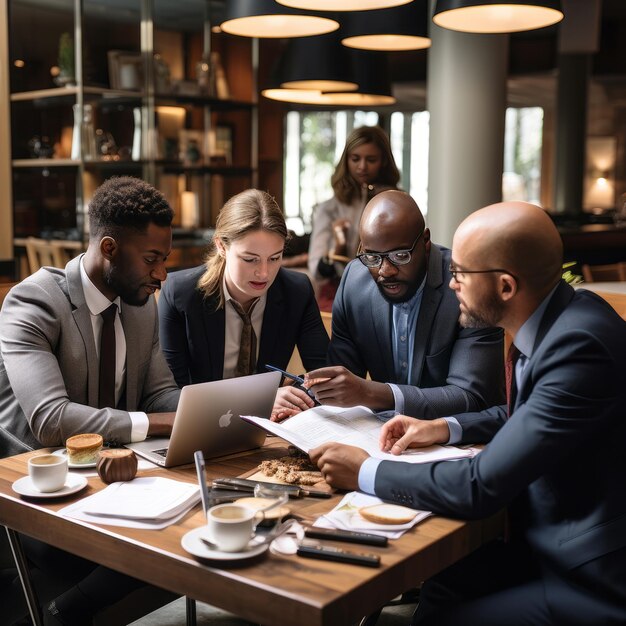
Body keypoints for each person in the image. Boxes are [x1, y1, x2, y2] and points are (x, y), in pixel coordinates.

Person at [310, 201, 626, 625]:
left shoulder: (579, 349)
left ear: (506, 287)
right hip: (543, 538)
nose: (451, 284)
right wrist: (445, 427)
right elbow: (523, 416)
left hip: (590, 576)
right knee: (444, 577)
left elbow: (480, 485)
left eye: (460, 273)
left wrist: (367, 471)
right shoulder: (569, 318)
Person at [0, 176, 181, 624]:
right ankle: (62, 614)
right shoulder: (34, 302)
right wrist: (153, 424)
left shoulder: (140, 304)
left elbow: (161, 393)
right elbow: (51, 419)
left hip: (111, 474)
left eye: (165, 260)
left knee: (189, 526)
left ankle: (68, 610)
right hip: (38, 483)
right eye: (152, 259)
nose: (162, 275)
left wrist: (211, 412)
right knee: (164, 545)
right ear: (109, 248)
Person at [301, 190, 504, 420]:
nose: (385, 271)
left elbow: (472, 397)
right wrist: (299, 396)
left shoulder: (465, 288)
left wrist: (371, 392)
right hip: (378, 438)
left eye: (400, 255)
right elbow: (340, 382)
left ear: (426, 241)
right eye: (372, 257)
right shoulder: (354, 283)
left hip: (458, 443)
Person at [158, 189, 329, 419]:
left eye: (275, 258)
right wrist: (258, 402)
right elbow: (167, 396)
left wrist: (294, 394)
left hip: (271, 429)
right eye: (250, 259)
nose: (264, 273)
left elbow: (325, 378)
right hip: (202, 427)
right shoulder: (181, 293)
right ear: (221, 246)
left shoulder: (297, 291)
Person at [307, 126, 400, 310]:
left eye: (371, 160)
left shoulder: (396, 202)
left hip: (386, 293)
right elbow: (317, 271)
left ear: (383, 161)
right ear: (346, 160)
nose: (362, 167)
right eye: (355, 159)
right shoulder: (329, 208)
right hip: (338, 293)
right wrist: (337, 249)